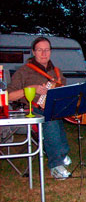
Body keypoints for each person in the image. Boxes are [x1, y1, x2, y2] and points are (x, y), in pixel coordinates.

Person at [7, 37, 72, 179]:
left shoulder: (57, 72)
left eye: (47, 50)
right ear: (33, 52)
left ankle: (62, 152)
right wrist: (30, 89)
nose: (44, 53)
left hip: (55, 108)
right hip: (31, 110)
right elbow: (8, 96)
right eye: (40, 50)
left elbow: (66, 93)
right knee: (49, 115)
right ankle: (56, 165)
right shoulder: (23, 72)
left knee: (56, 112)